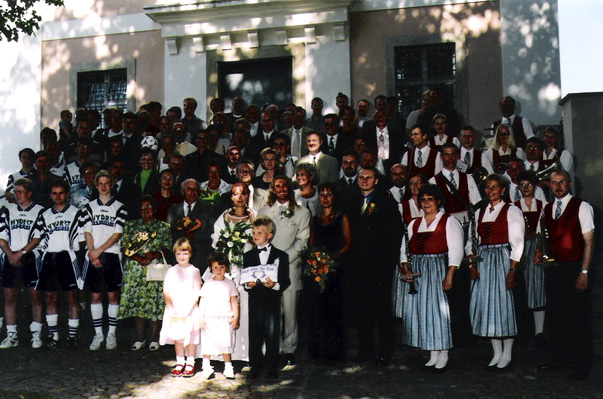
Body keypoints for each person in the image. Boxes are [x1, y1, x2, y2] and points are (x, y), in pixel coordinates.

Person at [535, 170, 594, 380]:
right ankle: (559, 359)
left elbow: (589, 241)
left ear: (569, 183)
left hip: (574, 268)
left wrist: (584, 272)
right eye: (554, 183)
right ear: (549, 186)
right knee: (556, 315)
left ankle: (581, 365)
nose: (558, 186)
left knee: (577, 317)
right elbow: (543, 235)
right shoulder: (548, 208)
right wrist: (539, 251)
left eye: (562, 182)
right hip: (554, 270)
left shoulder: (582, 206)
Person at [400, 184, 464, 370]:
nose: (426, 203)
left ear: (438, 201)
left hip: (438, 269)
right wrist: (406, 269)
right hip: (419, 272)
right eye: (423, 199)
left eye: (430, 199)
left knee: (439, 312)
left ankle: (443, 351)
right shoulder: (414, 223)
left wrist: (450, 276)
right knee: (424, 313)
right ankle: (432, 352)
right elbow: (404, 250)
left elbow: (456, 251)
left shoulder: (449, 221)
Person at [467, 174, 524, 370]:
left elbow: (518, 243)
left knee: (503, 305)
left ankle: (507, 353)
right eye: (488, 187)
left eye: (495, 187)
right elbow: (471, 242)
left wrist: (512, 270)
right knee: (487, 306)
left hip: (502, 260)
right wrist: (472, 264)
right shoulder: (479, 213)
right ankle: (496, 353)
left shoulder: (512, 211)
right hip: (483, 261)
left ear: (503, 190)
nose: (491, 190)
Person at [347, 166, 403, 366]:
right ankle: (366, 350)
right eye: (361, 177)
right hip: (358, 266)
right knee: (362, 309)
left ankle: (384, 352)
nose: (364, 180)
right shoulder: (351, 202)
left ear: (376, 180)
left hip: (380, 266)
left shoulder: (386, 202)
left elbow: (395, 234)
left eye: (368, 178)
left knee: (382, 310)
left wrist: (387, 261)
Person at [258, 176, 310, 366]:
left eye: (284, 185)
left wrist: (284, 258)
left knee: (290, 311)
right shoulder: (264, 211)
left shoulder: (302, 212)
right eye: (277, 186)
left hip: (290, 267)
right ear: (273, 189)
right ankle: (273, 348)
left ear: (290, 188)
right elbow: (258, 236)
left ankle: (289, 349)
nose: (281, 189)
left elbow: (303, 241)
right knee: (272, 311)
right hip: (269, 268)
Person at [81, 170, 128, 350]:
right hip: (94, 256)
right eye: (100, 183)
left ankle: (111, 335)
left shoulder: (120, 207)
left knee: (113, 295)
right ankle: (98, 334)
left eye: (107, 183)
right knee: (95, 295)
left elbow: (117, 234)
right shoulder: (89, 207)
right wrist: (93, 252)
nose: (103, 187)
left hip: (112, 255)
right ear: (95, 184)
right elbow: (87, 231)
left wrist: (99, 251)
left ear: (113, 184)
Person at [118, 195, 172, 352]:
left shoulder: (163, 227)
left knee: (154, 304)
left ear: (154, 209)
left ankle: (154, 338)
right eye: (142, 208)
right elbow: (124, 247)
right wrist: (138, 258)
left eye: (148, 207)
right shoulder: (131, 226)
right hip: (135, 270)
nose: (145, 210)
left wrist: (154, 254)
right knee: (138, 305)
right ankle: (140, 338)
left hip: (154, 270)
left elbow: (168, 247)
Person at [307, 183, 352, 361]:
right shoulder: (314, 219)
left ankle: (335, 354)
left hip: (335, 271)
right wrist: (316, 261)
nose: (325, 198)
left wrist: (331, 259)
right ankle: (319, 353)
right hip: (318, 271)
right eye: (322, 194)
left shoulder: (342, 218)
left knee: (334, 312)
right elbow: (311, 243)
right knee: (319, 311)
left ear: (334, 197)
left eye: (329, 194)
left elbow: (348, 243)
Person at [211, 182, 255, 361]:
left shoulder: (254, 216)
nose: (240, 197)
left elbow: (258, 238)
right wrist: (226, 241)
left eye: (243, 193)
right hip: (227, 267)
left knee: (245, 307)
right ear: (231, 196)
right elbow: (216, 239)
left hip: (247, 266)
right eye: (236, 194)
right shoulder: (224, 216)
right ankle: (222, 353)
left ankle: (244, 354)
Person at [243, 216, 291, 378]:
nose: (255, 235)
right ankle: (255, 366)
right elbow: (245, 280)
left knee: (272, 333)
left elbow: (285, 280)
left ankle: (272, 367)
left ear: (270, 235)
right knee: (255, 333)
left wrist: (275, 286)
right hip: (255, 300)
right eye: (253, 232)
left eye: (260, 233)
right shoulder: (248, 256)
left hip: (272, 300)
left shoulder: (281, 256)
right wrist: (247, 285)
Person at [0, 178, 45, 349]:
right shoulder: (7, 211)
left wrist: (21, 253)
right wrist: (11, 254)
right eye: (15, 191)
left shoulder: (39, 211)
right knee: (9, 296)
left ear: (29, 193)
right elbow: (2, 237)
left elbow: (38, 237)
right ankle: (11, 335)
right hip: (11, 257)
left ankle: (36, 335)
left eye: (19, 192)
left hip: (30, 256)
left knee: (35, 296)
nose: (16, 195)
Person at [37, 179, 82, 348]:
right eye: (54, 193)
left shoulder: (76, 213)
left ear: (67, 194)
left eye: (61, 193)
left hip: (68, 257)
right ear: (50, 195)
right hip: (50, 257)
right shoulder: (45, 215)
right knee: (50, 297)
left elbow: (81, 239)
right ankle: (53, 336)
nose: (58, 196)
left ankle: (72, 336)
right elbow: (40, 238)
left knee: (71, 297)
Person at [159, 237, 202, 378]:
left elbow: (197, 291)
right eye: (179, 253)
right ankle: (180, 361)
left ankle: (190, 362)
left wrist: (188, 309)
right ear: (175, 254)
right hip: (175, 309)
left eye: (185, 253)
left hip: (190, 308)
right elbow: (166, 290)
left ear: (190, 254)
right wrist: (172, 308)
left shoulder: (194, 271)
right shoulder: (171, 271)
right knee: (178, 337)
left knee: (191, 336)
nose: (182, 257)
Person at [514, 172, 547, 345]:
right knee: (520, 288)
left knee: (537, 287)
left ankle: (539, 332)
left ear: (535, 186)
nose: (526, 188)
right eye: (522, 184)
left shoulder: (543, 205)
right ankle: (523, 331)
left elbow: (545, 229)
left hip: (536, 248)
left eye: (529, 184)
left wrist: (539, 247)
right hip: (519, 248)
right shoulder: (513, 206)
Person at [199, 253, 240, 380]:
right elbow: (203, 302)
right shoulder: (208, 284)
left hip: (225, 318)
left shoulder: (230, 284)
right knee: (208, 342)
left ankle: (228, 366)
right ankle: (206, 365)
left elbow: (234, 301)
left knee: (225, 343)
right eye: (215, 267)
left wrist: (236, 317)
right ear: (211, 268)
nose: (218, 270)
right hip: (210, 318)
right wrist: (201, 319)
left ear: (226, 268)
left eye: (221, 267)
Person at [167, 178, 218, 274]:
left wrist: (195, 236)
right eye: (189, 189)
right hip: (179, 256)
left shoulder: (209, 208)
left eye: (195, 189)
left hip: (200, 256)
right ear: (182, 192)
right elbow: (169, 232)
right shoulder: (173, 209)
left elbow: (212, 232)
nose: (192, 192)